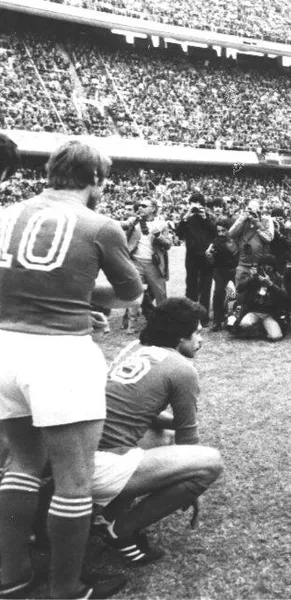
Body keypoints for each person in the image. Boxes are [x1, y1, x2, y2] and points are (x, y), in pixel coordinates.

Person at [0, 139, 143, 599]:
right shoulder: (100, 224)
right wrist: (78, 297)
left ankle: (13, 576)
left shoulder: (5, 213)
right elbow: (131, 293)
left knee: (22, 463)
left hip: (4, 347)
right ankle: (67, 589)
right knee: (74, 480)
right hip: (59, 355)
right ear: (96, 178)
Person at [92, 298, 223, 565]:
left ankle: (103, 510)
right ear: (179, 337)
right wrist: (191, 489)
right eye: (196, 332)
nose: (201, 339)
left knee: (165, 438)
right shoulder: (182, 369)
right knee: (209, 464)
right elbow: (190, 443)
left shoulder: (137, 349)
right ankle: (119, 531)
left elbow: (139, 411)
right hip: (100, 466)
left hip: (78, 454)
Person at [175, 192, 217, 315]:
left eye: (198, 205)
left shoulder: (210, 217)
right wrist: (186, 216)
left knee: (206, 287)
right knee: (191, 285)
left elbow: (215, 234)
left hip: (206, 256)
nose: (196, 208)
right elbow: (179, 234)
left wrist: (205, 218)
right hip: (191, 256)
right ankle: (190, 314)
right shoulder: (187, 219)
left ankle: (204, 315)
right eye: (193, 205)